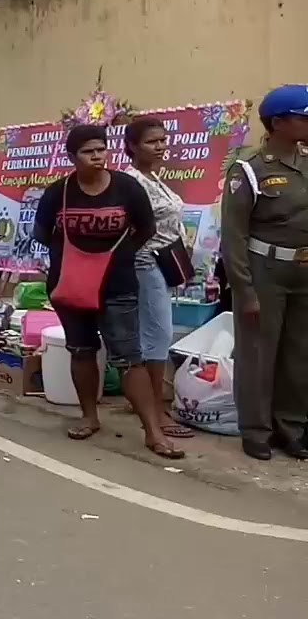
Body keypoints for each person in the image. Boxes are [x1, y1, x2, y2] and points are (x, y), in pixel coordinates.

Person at [32, 125, 176, 458]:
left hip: (118, 285)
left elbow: (146, 229)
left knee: (129, 359)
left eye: (101, 149)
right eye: (88, 151)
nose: (97, 156)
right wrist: (79, 257)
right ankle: (89, 416)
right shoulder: (58, 192)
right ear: (72, 157)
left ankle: (153, 432)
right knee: (81, 350)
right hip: (69, 285)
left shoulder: (127, 188)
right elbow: (42, 234)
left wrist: (115, 256)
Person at [222, 84, 308, 461]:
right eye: (304, 117)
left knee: (299, 355)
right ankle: (256, 429)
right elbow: (234, 235)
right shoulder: (249, 171)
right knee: (258, 353)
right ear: (278, 123)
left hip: (304, 271)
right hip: (264, 270)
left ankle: (292, 427)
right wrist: (244, 290)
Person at [123, 116, 195, 442]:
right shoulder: (131, 181)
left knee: (153, 334)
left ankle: (147, 402)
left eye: (163, 141)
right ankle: (155, 410)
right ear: (133, 147)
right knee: (158, 336)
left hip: (163, 263)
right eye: (153, 142)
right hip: (145, 262)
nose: (161, 147)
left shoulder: (154, 179)